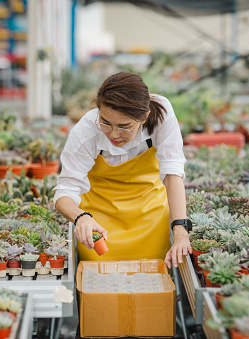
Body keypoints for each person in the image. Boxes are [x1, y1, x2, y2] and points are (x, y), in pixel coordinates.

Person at [54, 71, 192, 269]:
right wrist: (80, 217)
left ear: (144, 117)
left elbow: (172, 173)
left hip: (150, 218)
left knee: (153, 278)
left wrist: (180, 230)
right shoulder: (86, 132)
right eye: (106, 122)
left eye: (124, 126)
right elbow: (65, 192)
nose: (114, 134)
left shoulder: (161, 114)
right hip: (99, 223)